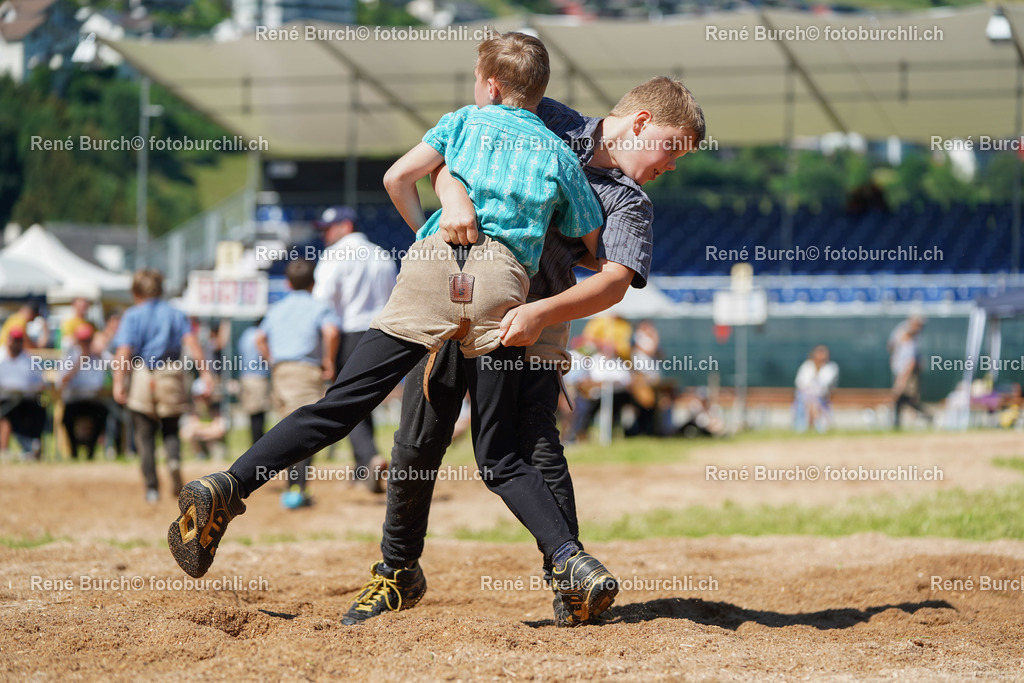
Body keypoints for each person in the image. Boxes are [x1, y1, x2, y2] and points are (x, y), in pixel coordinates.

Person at [168, 32, 621, 627]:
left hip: (437, 262)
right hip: (504, 285)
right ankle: (572, 563)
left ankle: (230, 484)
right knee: (501, 455)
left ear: (489, 83)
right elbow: (591, 241)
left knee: (339, 406)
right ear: (538, 92)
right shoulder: (559, 155)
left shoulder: (464, 120)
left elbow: (396, 179)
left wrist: (430, 229)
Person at [343, 76, 704, 626]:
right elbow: (447, 150)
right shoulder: (546, 116)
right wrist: (452, 194)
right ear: (640, 123)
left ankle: (572, 581)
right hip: (454, 298)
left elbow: (611, 283)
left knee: (537, 446)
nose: (672, 166)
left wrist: (539, 313)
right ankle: (396, 574)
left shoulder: (631, 203)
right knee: (418, 444)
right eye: (671, 149)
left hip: (538, 320)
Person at [312, 205, 397, 492]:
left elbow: (321, 302)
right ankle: (362, 468)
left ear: (345, 225)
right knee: (365, 399)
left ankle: (369, 457)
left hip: (347, 334)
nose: (325, 236)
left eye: (329, 229)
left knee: (344, 402)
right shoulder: (382, 254)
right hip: (381, 333)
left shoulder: (334, 255)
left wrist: (322, 350)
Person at [112, 269, 214, 503]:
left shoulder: (132, 315)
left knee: (145, 434)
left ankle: (151, 489)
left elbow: (124, 351)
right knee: (170, 430)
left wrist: (119, 382)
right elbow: (192, 343)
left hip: (142, 374)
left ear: (136, 292)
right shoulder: (176, 314)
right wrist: (206, 374)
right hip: (171, 374)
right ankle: (174, 463)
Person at [254, 259, 340, 508]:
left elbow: (260, 338)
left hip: (281, 372)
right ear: (313, 283)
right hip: (306, 371)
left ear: (287, 283)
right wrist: (328, 360)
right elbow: (332, 332)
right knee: (306, 433)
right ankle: (297, 489)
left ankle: (292, 487)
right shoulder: (318, 307)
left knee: (286, 430)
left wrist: (272, 361)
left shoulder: (277, 308)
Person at [59, 323, 110, 459]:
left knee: (102, 414)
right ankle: (74, 452)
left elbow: (118, 365)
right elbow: (62, 381)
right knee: (66, 418)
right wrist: (79, 362)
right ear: (77, 340)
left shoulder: (99, 354)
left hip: (94, 399)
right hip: (75, 399)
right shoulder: (70, 355)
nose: (85, 343)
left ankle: (90, 452)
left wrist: (101, 353)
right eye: (82, 340)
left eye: (88, 339)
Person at [0, 327, 47, 460]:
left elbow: (41, 382)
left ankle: (33, 445)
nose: (16, 343)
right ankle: (29, 446)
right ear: (8, 340)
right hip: (5, 400)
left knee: (40, 411)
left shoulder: (29, 360)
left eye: (19, 340)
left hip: (27, 399)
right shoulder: (1, 357)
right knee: (11, 414)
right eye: (14, 340)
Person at [891, 316, 930, 429]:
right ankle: (897, 424)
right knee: (903, 399)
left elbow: (911, 363)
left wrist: (902, 379)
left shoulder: (910, 345)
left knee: (906, 399)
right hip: (901, 373)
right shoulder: (903, 344)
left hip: (906, 374)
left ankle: (928, 416)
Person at [236, 320, 270, 446]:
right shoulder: (260, 334)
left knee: (252, 415)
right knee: (259, 416)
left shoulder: (246, 334)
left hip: (245, 376)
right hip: (258, 377)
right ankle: (259, 446)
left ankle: (255, 446)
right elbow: (262, 350)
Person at [793, 345, 838, 433]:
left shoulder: (831, 367)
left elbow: (824, 385)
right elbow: (800, 383)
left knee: (814, 402)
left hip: (822, 398)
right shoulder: (807, 366)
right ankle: (806, 426)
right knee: (808, 400)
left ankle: (815, 426)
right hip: (804, 397)